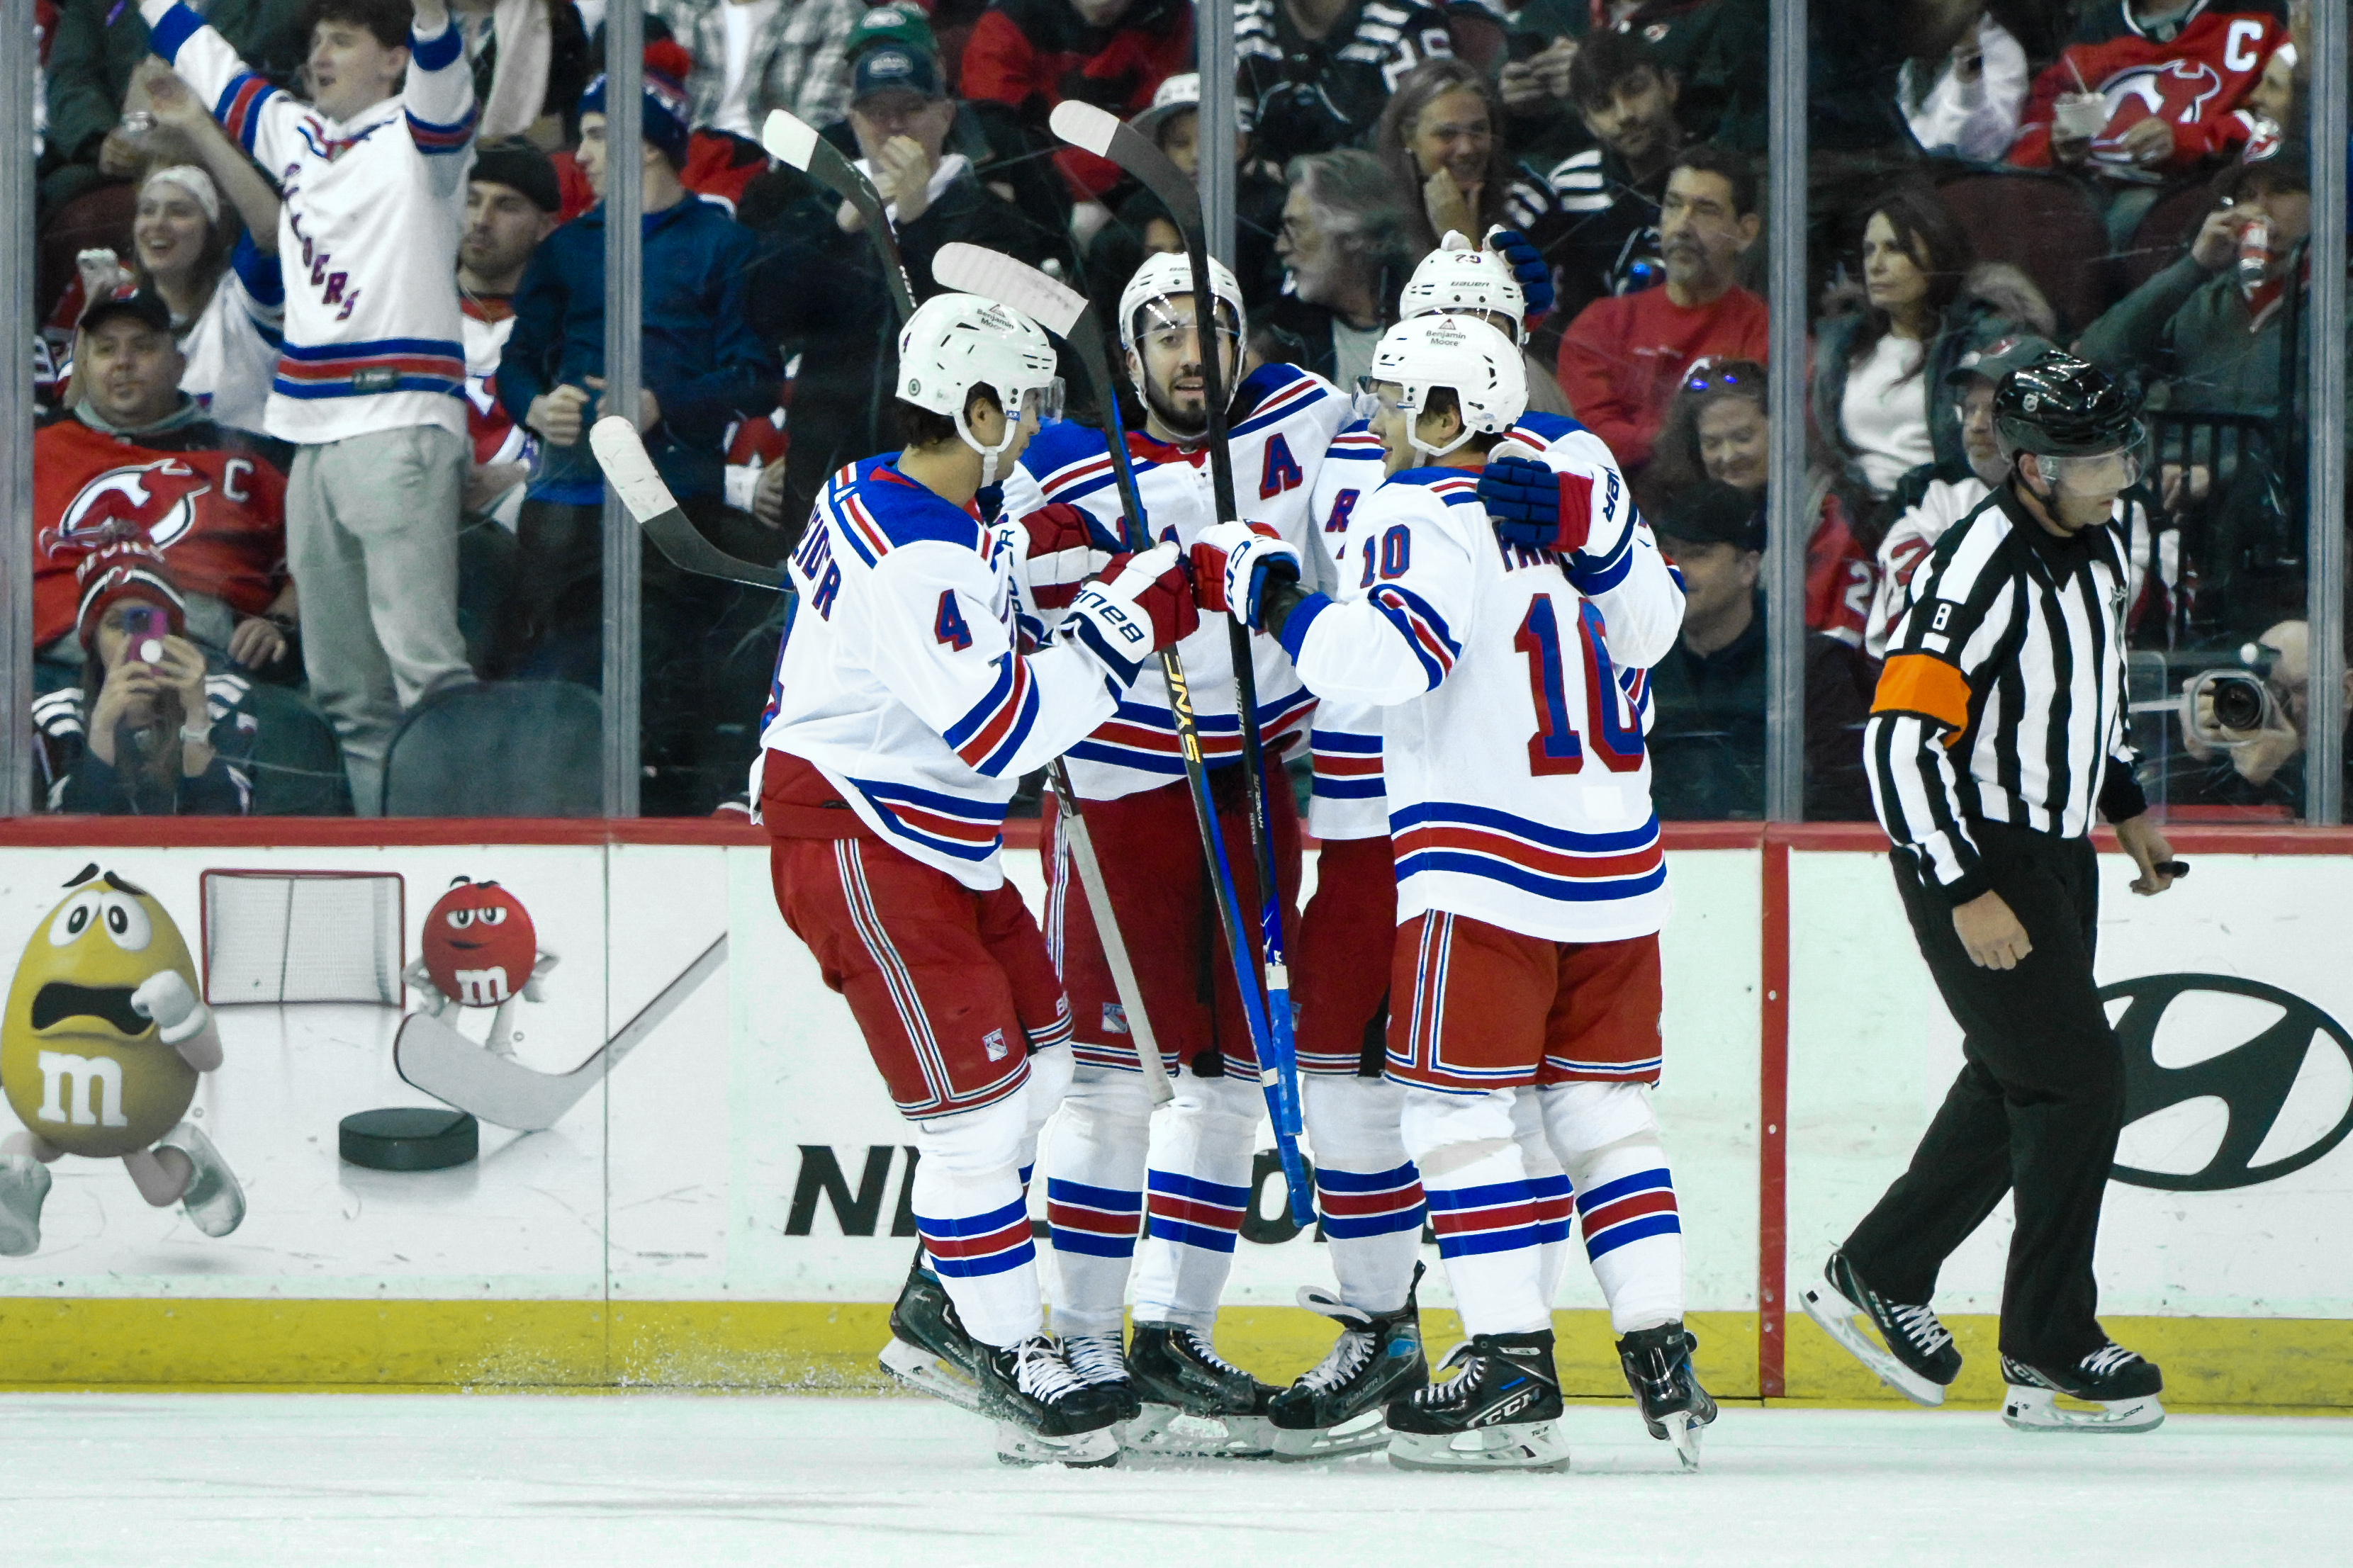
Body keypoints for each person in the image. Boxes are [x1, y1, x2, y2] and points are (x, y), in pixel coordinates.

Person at [1191, 310, 1705, 1473]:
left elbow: (1389, 662)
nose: (1371, 420)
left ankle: (1510, 1360)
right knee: (1603, 1116)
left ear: (1441, 414)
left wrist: (1268, 591)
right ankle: (1658, 1338)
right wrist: (1599, 549)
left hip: (1486, 868)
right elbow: (1657, 625)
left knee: (1458, 1119)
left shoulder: (1409, 509)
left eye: (1390, 400)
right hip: (1619, 873)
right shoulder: (1582, 481)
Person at [761, 291, 1199, 1467]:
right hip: (864, 837)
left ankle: (949, 1287)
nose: (1038, 427)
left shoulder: (891, 489)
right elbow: (1004, 730)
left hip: (936, 838)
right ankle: (999, 1349)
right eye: (1025, 408)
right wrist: (1122, 620)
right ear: (976, 406)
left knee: (1049, 1067)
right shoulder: (918, 552)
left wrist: (1006, 523)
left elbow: (975, 571)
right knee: (978, 1120)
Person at [998, 252, 1349, 1457]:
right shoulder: (1064, 459)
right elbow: (1013, 604)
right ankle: (1082, 1340)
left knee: (1230, 1077)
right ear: (1133, 352)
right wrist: (1060, 560)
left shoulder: (1312, 416)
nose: (1194, 356)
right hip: (1121, 792)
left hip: (1256, 783)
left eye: (1214, 332)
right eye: (1168, 337)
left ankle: (1171, 1332)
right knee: (1106, 1080)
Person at [1804, 350, 2181, 1435]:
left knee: (2023, 1073)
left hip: (2056, 847)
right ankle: (2049, 1342)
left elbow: (2092, 686)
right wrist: (1963, 884)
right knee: (2078, 1083)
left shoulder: (2102, 542)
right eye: (2093, 454)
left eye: (2121, 447)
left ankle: (1881, 1268)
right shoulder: (1975, 565)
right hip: (1975, 850)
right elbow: (1897, 742)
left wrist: (2127, 804)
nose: (2119, 469)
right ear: (2030, 467)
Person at [142, 0, 481, 815]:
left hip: (396, 422)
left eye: (342, 40)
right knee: (346, 690)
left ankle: (471, 859)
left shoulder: (424, 135)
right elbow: (211, 63)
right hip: (312, 435)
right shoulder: (293, 133)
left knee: (426, 670)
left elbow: (442, 63)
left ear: (392, 59)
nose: (319, 55)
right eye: (315, 41)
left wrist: (429, 12)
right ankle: (386, 849)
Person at [497, 50, 780, 811]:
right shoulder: (566, 248)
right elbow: (517, 363)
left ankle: (667, 808)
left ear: (646, 143)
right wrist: (537, 407)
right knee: (552, 666)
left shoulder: (722, 244)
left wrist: (662, 401)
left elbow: (753, 374)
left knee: (660, 669)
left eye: (594, 135)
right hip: (566, 500)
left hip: (671, 502)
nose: (579, 154)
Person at [746, 35, 1051, 537]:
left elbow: (987, 329)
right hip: (827, 465)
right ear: (852, 120)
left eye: (911, 108)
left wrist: (918, 221)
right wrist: (840, 231)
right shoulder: (817, 210)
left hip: (950, 466)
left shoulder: (989, 218)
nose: (893, 126)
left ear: (946, 116)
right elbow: (766, 312)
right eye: (875, 111)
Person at [36, 285, 296, 677]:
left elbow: (311, 570)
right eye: (106, 349)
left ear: (179, 364)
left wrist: (278, 624)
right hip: (56, 663)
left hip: (208, 657)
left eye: (142, 347)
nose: (123, 362)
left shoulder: (249, 459)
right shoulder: (34, 451)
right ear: (85, 368)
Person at [1867, 332, 2159, 660]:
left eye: (1993, 410)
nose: (1976, 425)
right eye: (1970, 408)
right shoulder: (1933, 495)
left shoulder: (2119, 506)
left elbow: (2111, 623)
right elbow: (1907, 625)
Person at [1644, 481, 1877, 820]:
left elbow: (1844, 798)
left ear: (1748, 568)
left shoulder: (1810, 665)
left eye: (1698, 554)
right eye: (1668, 552)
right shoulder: (1636, 663)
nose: (1675, 569)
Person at [1555, 144, 1765, 475]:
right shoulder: (1601, 324)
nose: (1682, 226)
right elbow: (1586, 440)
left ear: (1745, 231)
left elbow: (1758, 442)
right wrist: (1685, 440)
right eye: (1673, 206)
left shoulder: (1767, 332)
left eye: (1706, 210)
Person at [1810, 188, 2014, 509]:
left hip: (1949, 515)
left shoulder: (1980, 341)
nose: (1875, 265)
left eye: (1894, 249)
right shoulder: (1843, 345)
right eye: (1868, 250)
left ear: (1938, 255)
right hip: (1858, 520)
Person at [33, 533, 261, 815]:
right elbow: (72, 838)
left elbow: (225, 826)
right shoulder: (59, 715)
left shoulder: (224, 699)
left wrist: (197, 719)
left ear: (174, 633)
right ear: (94, 641)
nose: (133, 640)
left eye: (147, 623)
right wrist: (103, 728)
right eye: (117, 625)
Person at [2008, 1, 2291, 186]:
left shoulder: (2257, 15)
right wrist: (2056, 147)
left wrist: (2185, 141)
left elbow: (2279, 121)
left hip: (2195, 193)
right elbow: (2031, 136)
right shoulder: (2094, 30)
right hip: (2085, 192)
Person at [958, 0, 1193, 205]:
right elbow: (991, 137)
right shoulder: (1005, 25)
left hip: (1141, 186)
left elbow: (1163, 127)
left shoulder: (1173, 16)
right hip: (1034, 191)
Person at [1371, 60, 1567, 275]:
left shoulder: (1527, 202)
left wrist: (1460, 238)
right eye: (1447, 134)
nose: (1466, 148)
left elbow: (1508, 305)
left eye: (1478, 130)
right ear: (1408, 138)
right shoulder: (1379, 218)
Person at [1543, 27, 1684, 322]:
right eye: (1602, 105)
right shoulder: (1568, 187)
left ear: (1670, 86)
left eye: (1634, 90)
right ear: (1588, 122)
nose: (1623, 115)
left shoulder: (1712, 177)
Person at [456, 139, 561, 528]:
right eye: (471, 200)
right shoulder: (410, 307)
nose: (482, 219)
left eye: (507, 205)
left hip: (524, 511)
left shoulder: (566, 325)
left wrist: (523, 473)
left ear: (545, 226)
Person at [1233, 0, 1455, 171]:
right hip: (1259, 220)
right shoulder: (1238, 20)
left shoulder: (1412, 20)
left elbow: (1431, 154)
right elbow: (1224, 153)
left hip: (1376, 214)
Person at [1262, 148, 1419, 388]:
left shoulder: (1426, 321)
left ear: (1353, 234)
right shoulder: (1282, 341)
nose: (1281, 246)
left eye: (1297, 229)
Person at [2160, 620, 2353, 812]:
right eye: (2271, 690)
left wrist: (2288, 767)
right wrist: (2197, 753)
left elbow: (2337, 822)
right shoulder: (2235, 740)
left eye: (2304, 689)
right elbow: (2172, 817)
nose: (2287, 707)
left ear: (2347, 692)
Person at [646, 0, 870, 138]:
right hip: (677, 164)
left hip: (774, 177)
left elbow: (818, 125)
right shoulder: (667, 6)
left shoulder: (834, 11)